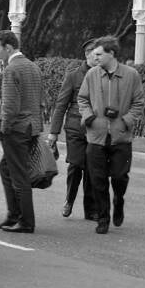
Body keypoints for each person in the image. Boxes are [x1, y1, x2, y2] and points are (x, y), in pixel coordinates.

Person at [78, 36, 145, 234]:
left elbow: (139, 103)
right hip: (96, 136)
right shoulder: (91, 74)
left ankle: (119, 200)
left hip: (120, 137)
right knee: (97, 180)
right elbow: (82, 99)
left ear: (111, 54)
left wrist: (126, 120)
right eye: (94, 54)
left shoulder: (131, 75)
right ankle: (103, 217)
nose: (94, 57)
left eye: (99, 54)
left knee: (119, 177)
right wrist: (88, 116)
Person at [0, 30, 43, 234]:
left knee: (18, 174)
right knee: (6, 168)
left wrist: (4, 129)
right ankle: (14, 215)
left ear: (9, 47)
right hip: (32, 127)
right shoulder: (33, 66)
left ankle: (25, 221)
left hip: (16, 128)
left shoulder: (11, 69)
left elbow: (10, 106)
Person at [47, 39, 98, 221]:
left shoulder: (104, 75)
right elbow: (61, 105)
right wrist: (53, 132)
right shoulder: (74, 76)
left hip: (96, 130)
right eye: (95, 53)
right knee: (76, 165)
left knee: (92, 169)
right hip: (76, 128)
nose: (99, 57)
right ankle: (69, 200)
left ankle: (90, 209)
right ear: (87, 54)